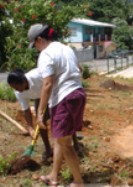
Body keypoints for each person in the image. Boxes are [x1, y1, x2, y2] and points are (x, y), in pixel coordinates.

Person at [28, 23, 86, 187]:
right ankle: (54, 176)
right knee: (60, 138)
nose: (36, 49)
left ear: (39, 39)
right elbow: (78, 69)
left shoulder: (46, 54)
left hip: (64, 98)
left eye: (35, 45)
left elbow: (47, 84)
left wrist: (40, 113)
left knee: (65, 143)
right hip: (77, 94)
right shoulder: (66, 48)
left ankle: (78, 182)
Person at [7, 68, 52, 163]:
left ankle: (75, 144)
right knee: (41, 122)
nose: (16, 90)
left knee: (61, 117)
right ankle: (48, 149)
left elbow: (50, 82)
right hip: (39, 97)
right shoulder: (18, 92)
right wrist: (30, 128)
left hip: (54, 90)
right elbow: (26, 110)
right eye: (13, 88)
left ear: (23, 81)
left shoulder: (37, 76)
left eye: (16, 87)